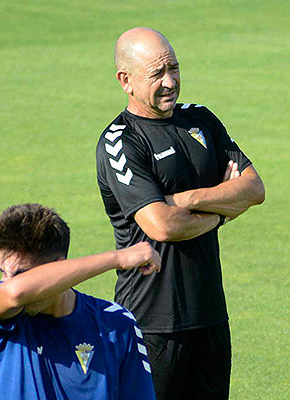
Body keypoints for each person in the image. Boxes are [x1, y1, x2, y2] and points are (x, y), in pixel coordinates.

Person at [95, 27, 265, 399]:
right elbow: (161, 225)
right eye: (157, 73)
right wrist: (223, 208)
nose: (170, 81)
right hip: (152, 322)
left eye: (174, 68)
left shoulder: (201, 119)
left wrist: (187, 199)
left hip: (210, 316)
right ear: (125, 80)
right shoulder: (120, 141)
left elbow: (254, 189)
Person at [0, 203, 161, 400]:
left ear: (60, 270)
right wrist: (118, 258)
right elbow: (14, 293)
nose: (6, 282)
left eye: (21, 274)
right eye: (2, 271)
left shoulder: (116, 323)